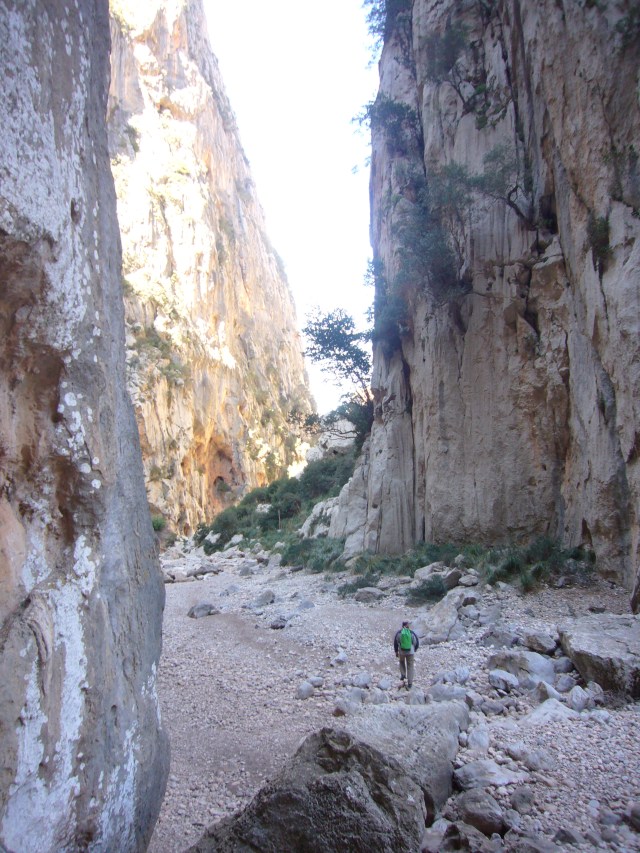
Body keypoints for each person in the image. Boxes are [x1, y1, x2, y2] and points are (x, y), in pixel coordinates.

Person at [393, 620, 419, 689]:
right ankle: (410, 683)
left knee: (401, 662)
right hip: (411, 652)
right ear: (408, 625)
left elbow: (396, 642)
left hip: (402, 652)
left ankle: (403, 674)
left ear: (402, 625)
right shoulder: (411, 633)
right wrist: (415, 649)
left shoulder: (399, 633)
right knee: (410, 666)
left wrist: (396, 651)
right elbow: (416, 642)